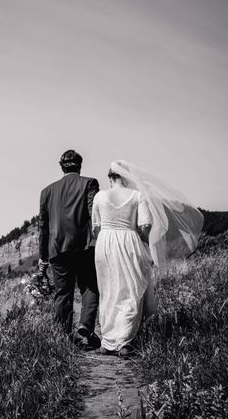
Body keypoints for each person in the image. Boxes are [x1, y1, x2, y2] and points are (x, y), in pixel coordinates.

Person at [92, 160, 204, 357]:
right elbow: (145, 226)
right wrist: (143, 243)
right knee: (131, 289)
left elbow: (96, 228)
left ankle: (108, 341)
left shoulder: (100, 196)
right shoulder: (137, 195)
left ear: (110, 177)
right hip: (129, 241)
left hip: (105, 244)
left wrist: (107, 235)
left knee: (108, 290)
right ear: (126, 177)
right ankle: (124, 342)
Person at [38, 150, 101, 349]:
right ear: (79, 166)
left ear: (61, 167)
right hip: (84, 246)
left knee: (62, 293)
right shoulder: (90, 183)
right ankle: (85, 326)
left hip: (56, 247)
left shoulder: (46, 191)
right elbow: (94, 214)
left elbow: (43, 227)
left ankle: (63, 338)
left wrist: (43, 256)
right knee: (89, 286)